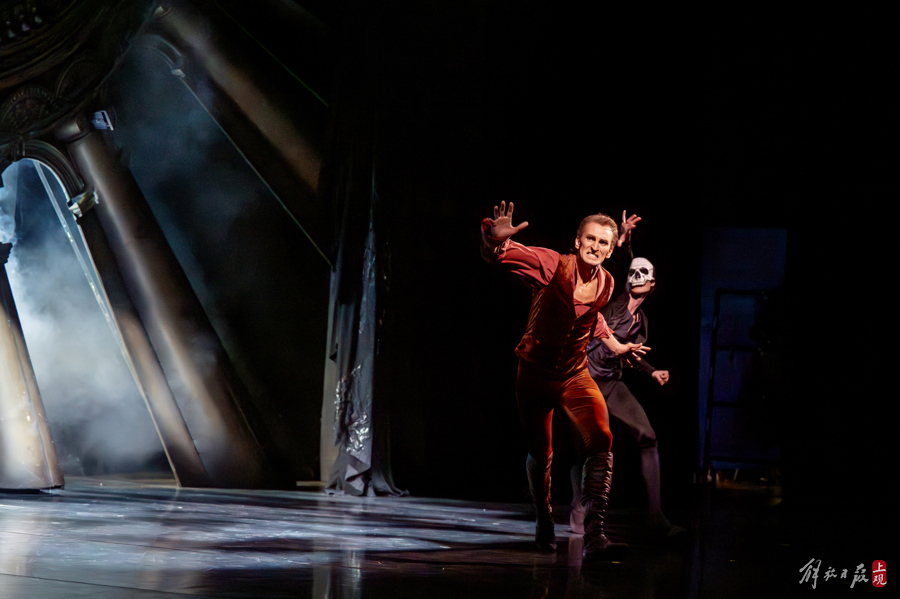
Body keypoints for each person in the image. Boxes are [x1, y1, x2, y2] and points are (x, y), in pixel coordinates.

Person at [481, 202, 647, 561]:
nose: (596, 247)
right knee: (542, 451)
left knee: (601, 438)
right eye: (590, 239)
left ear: (610, 249)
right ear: (577, 240)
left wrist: (617, 346)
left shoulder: (607, 282)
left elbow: (592, 319)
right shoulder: (552, 264)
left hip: (574, 374)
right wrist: (496, 241)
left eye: (603, 242)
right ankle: (543, 517)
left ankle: (595, 535)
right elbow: (502, 256)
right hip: (535, 374)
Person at [569, 248, 684, 539]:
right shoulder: (613, 307)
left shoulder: (641, 321)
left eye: (643, 273)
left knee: (648, 437)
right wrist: (624, 240)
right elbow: (617, 268)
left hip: (611, 384)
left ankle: (655, 516)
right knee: (587, 448)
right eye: (632, 273)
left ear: (653, 284)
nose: (636, 277)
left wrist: (651, 371)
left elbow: (630, 354)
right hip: (587, 381)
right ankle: (579, 505)